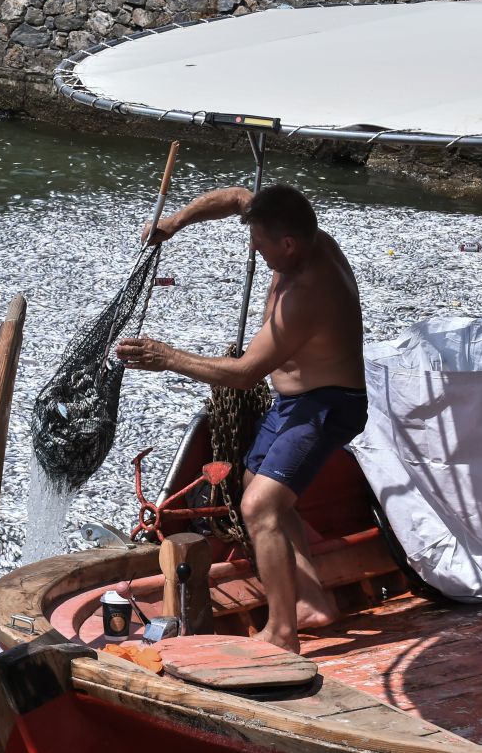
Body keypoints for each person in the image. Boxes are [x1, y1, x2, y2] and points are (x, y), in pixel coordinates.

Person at [116, 184, 367, 653]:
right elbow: (234, 196)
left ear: (288, 244)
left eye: (261, 241)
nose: (253, 247)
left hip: (329, 404)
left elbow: (246, 372)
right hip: (294, 401)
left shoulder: (307, 293)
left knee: (259, 508)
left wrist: (165, 356)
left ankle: (282, 632)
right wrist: (173, 224)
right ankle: (311, 601)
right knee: (256, 482)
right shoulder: (300, 236)